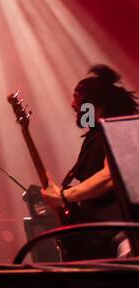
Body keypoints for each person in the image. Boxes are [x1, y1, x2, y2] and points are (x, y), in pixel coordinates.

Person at [41, 65, 138, 259]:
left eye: (77, 98)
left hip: (122, 238)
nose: (72, 105)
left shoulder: (123, 132)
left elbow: (110, 176)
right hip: (99, 238)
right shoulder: (96, 136)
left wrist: (65, 196)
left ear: (94, 104)